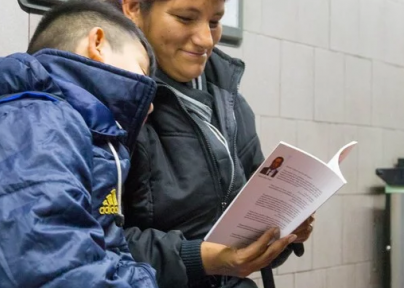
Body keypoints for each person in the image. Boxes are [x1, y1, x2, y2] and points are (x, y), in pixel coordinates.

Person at [0, 1, 161, 287]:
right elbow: (56, 270)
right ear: (97, 43)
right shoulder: (35, 121)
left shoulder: (70, 130)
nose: (149, 107)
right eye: (142, 72)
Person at [107, 1, 315, 287]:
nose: (206, 39)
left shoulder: (229, 102)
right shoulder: (109, 103)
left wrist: (282, 231)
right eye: (185, 18)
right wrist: (202, 259)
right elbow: (96, 245)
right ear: (133, 7)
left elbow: (249, 218)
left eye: (215, 22)